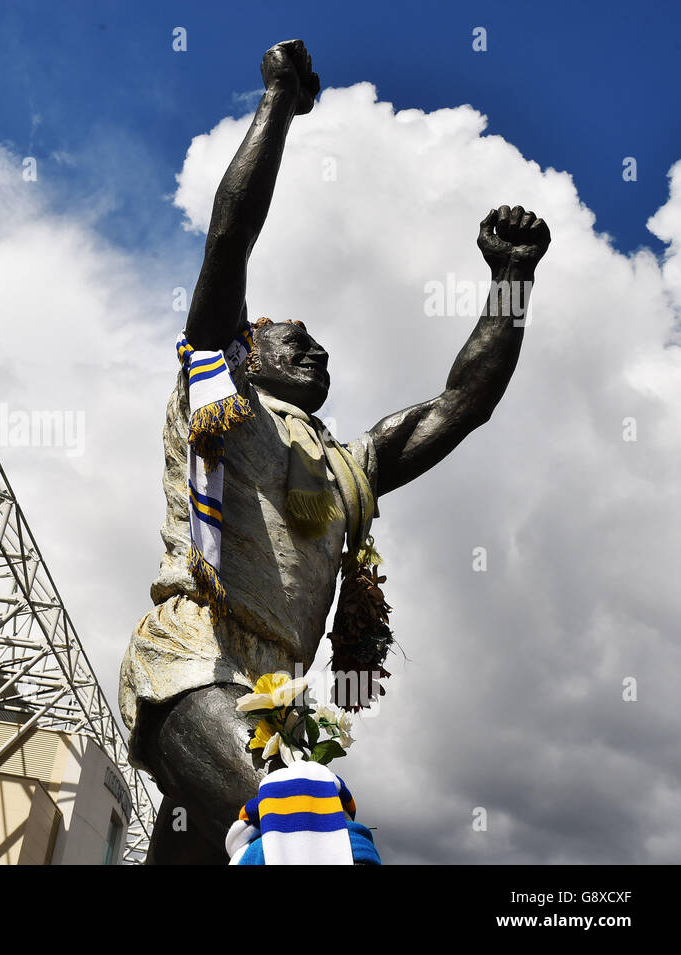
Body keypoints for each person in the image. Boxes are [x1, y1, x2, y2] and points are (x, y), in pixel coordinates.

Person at [119, 38, 552, 864]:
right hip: (194, 662)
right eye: (294, 340)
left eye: (321, 346)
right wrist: (281, 100)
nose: (316, 352)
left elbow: (463, 403)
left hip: (276, 692)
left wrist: (511, 283)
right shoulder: (220, 391)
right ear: (251, 350)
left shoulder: (352, 464)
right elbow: (226, 247)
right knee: (305, 827)